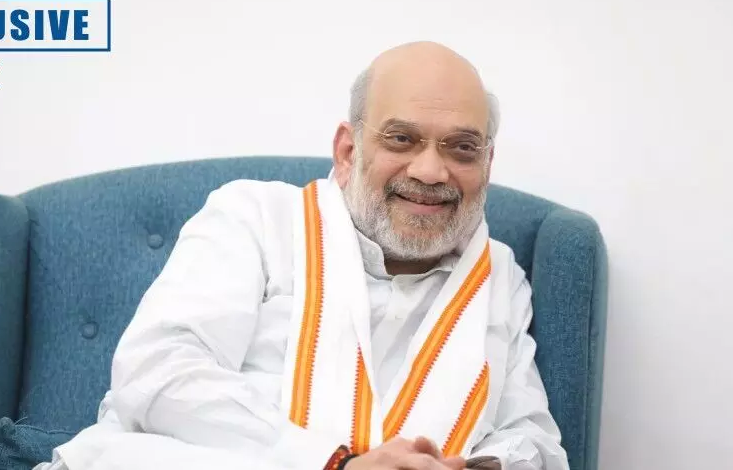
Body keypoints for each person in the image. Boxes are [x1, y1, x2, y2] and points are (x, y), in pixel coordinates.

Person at [36, 41, 569, 470]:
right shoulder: (255, 217)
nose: (431, 171)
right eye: (401, 139)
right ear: (348, 151)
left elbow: (533, 439)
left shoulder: (500, 275)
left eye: (462, 148)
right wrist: (335, 464)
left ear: (487, 163)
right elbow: (156, 371)